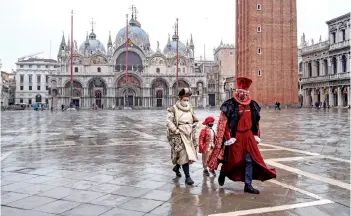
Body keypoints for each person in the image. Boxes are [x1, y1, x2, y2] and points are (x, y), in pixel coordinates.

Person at [207, 77, 276, 194]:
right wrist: (228, 137)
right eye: (240, 92)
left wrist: (256, 134)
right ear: (236, 92)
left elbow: (256, 122)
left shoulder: (252, 105)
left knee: (250, 160)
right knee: (235, 161)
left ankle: (248, 185)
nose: (242, 94)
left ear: (247, 93)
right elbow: (223, 123)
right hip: (235, 137)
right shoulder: (230, 105)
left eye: (244, 92)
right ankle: (224, 171)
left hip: (249, 136)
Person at [166, 88, 199, 185]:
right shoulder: (173, 109)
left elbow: (195, 119)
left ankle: (176, 167)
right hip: (179, 134)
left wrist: (193, 126)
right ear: (180, 99)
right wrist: (175, 130)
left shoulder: (190, 108)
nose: (186, 101)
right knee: (184, 154)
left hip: (189, 134)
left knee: (185, 154)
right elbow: (168, 121)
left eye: (187, 99)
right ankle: (188, 177)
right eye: (184, 99)